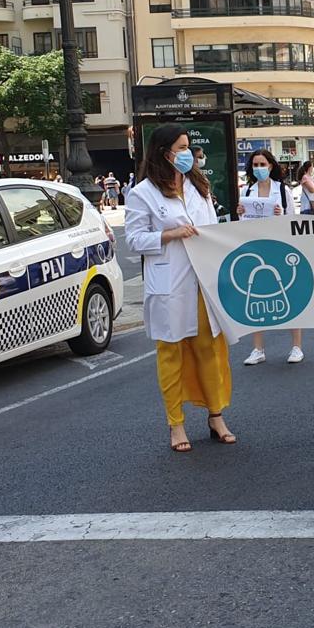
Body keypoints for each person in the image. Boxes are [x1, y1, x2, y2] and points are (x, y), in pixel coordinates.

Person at [124, 123, 235, 453]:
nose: (188, 155)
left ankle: (216, 416)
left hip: (203, 281)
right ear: (163, 152)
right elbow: (133, 239)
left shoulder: (198, 185)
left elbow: (212, 228)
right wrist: (169, 235)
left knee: (210, 350)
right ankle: (176, 424)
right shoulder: (142, 193)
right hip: (170, 282)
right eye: (181, 148)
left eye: (189, 148)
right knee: (171, 354)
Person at [236, 150, 305, 366]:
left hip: (279, 248)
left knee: (288, 294)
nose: (259, 168)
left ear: (271, 165)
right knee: (255, 295)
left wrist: (279, 215)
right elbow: (243, 222)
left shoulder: (282, 192)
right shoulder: (247, 191)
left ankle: (296, 346)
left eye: (262, 164)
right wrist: (240, 212)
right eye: (255, 164)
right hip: (256, 248)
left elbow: (293, 222)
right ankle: (258, 349)